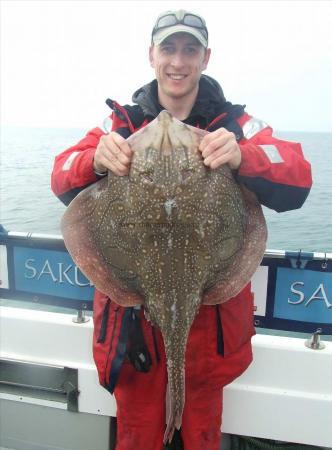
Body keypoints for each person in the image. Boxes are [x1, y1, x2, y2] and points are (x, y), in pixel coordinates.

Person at [51, 9, 312, 450]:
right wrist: (95, 160)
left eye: (189, 50)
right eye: (168, 48)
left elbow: (299, 174)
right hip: (135, 332)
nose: (178, 61)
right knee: (138, 436)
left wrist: (243, 157)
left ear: (206, 58)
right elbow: (61, 172)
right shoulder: (118, 126)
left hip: (209, 331)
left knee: (201, 436)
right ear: (151, 56)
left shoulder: (238, 126)